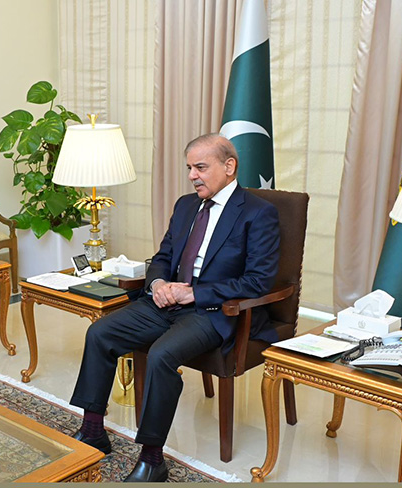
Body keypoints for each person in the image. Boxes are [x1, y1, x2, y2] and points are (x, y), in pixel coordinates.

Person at [69, 133, 281, 482]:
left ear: (229, 167)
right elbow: (163, 257)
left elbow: (258, 282)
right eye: (189, 168)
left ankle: (153, 458)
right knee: (100, 332)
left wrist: (195, 294)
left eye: (200, 167)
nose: (192, 176)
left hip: (215, 311)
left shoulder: (258, 213)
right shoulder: (186, 206)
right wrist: (158, 284)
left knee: (162, 354)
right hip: (167, 302)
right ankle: (93, 430)